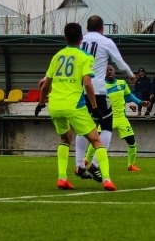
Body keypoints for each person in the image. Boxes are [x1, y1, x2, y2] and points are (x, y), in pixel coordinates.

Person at [35, 22, 116, 191]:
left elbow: (45, 85)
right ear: (81, 38)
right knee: (96, 140)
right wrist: (94, 106)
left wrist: (41, 103)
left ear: (65, 37)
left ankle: (62, 178)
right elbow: (87, 84)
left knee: (65, 139)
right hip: (74, 105)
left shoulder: (57, 56)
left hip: (55, 105)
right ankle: (107, 179)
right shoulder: (85, 57)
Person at [74, 15, 136, 183]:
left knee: (83, 128)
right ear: (102, 28)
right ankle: (94, 164)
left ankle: (79, 164)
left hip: (79, 91)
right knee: (107, 127)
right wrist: (130, 74)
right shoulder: (106, 42)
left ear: (87, 27)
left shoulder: (80, 41)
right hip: (98, 91)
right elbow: (119, 62)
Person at [85, 64, 144, 172]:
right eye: (107, 70)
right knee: (96, 140)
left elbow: (129, 96)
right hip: (108, 117)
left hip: (121, 118)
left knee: (132, 142)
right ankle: (86, 159)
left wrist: (140, 102)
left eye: (111, 70)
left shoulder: (122, 83)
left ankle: (130, 165)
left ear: (114, 71)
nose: (109, 71)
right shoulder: (101, 86)